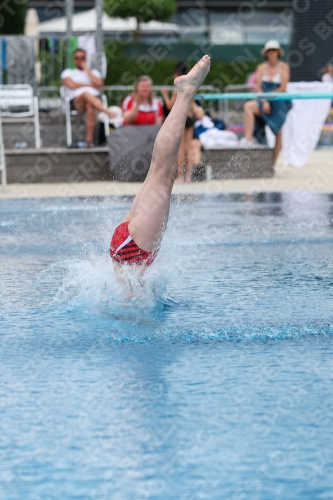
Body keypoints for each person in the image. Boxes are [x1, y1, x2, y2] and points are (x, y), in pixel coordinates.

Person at [110, 55, 211, 267]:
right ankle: (186, 94)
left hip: (132, 251)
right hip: (126, 245)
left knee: (163, 175)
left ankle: (186, 94)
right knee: (159, 170)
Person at [240, 40, 291, 166]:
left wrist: (267, 99)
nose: (272, 53)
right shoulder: (261, 67)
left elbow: (283, 87)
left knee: (278, 134)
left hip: (278, 102)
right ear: (266, 53)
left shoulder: (284, 66)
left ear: (278, 52)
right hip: (264, 100)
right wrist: (264, 101)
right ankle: (248, 139)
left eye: (274, 50)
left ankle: (272, 164)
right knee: (248, 106)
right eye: (269, 50)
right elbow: (258, 87)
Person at [61, 48, 116, 148]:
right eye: (77, 58)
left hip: (93, 101)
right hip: (77, 101)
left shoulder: (94, 72)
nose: (80, 60)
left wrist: (87, 69)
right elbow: (70, 84)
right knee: (86, 93)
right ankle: (107, 111)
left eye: (82, 58)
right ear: (74, 60)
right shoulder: (68, 72)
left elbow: (99, 82)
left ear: (86, 59)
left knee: (90, 106)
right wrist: (91, 86)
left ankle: (89, 140)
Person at [161, 61, 204, 183]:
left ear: (176, 73)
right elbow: (194, 104)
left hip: (181, 118)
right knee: (188, 147)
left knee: (180, 148)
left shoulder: (178, 85)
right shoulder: (191, 85)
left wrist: (164, 95)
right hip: (189, 118)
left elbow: (169, 105)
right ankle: (188, 176)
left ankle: (180, 175)